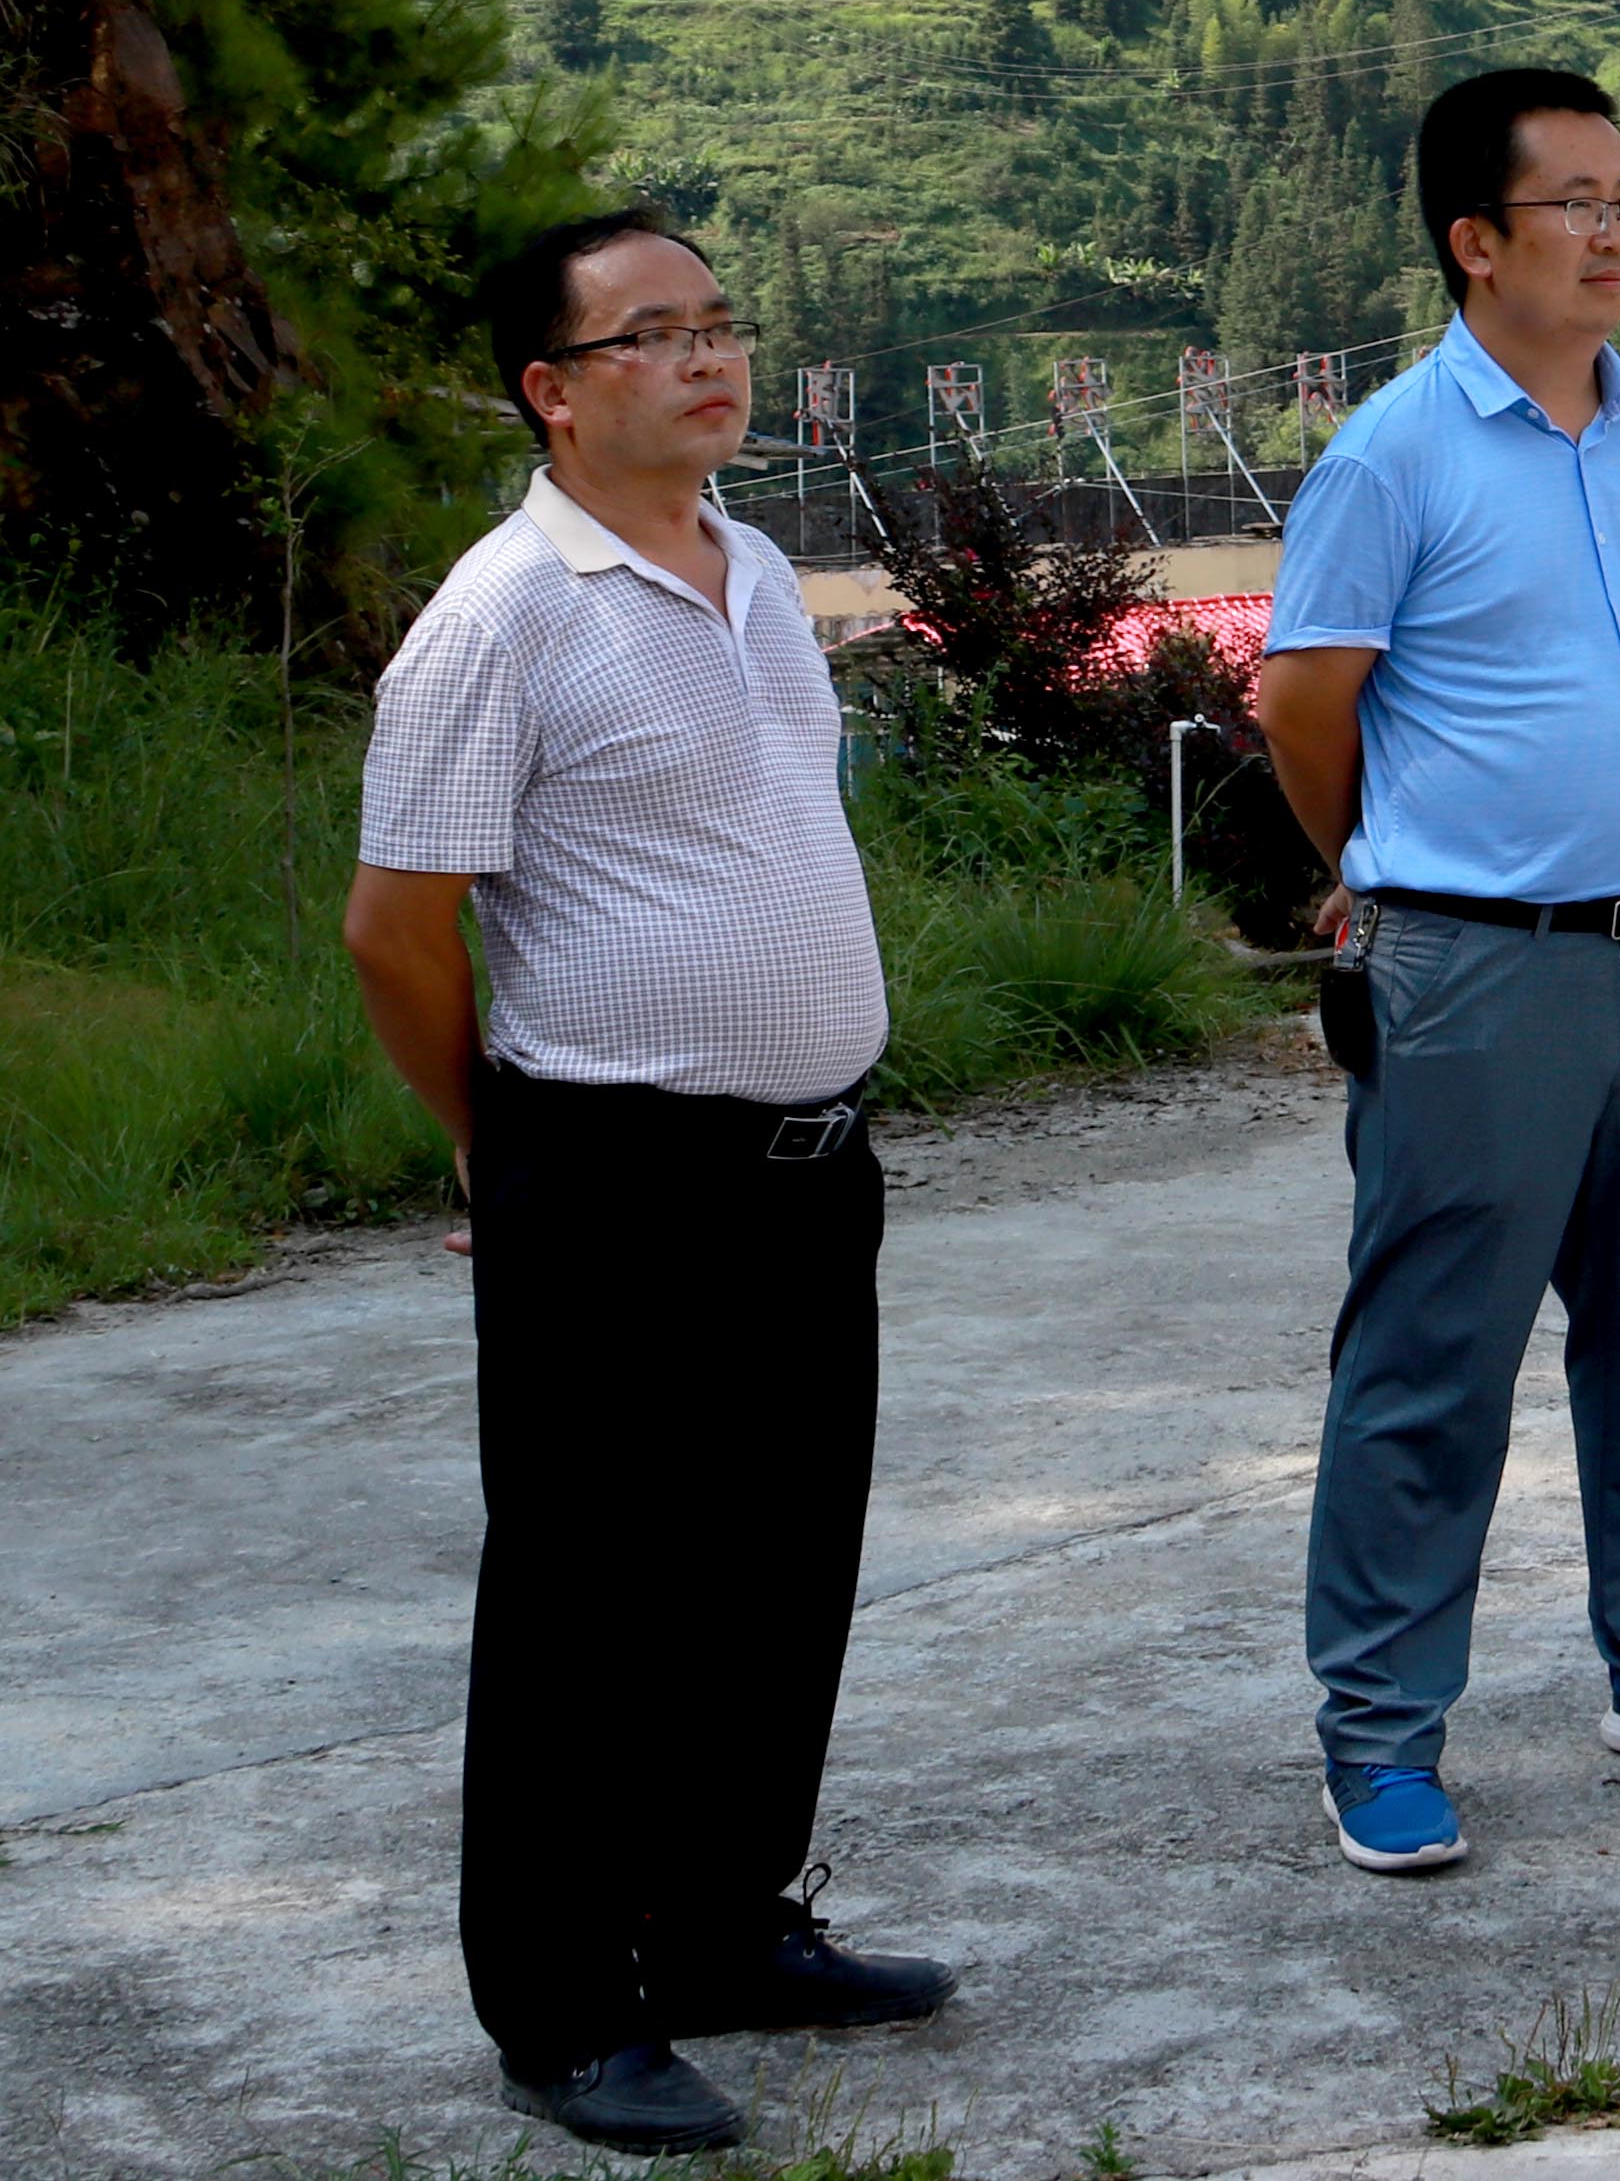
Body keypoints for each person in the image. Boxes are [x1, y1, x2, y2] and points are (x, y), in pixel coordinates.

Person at [343, 209, 954, 2158]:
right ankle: (559, 2007)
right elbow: (393, 928)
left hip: (804, 1167)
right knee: (587, 1610)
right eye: (653, 334)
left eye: (721, 322)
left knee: (778, 1572)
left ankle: (716, 1929)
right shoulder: (502, 614)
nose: (709, 357)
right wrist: (500, 1141)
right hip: (609, 1172)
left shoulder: (755, 568)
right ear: (554, 387)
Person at [1258, 66, 1620, 1882]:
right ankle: (1378, 1728)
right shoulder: (1391, 456)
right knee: (1432, 1356)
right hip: (1472, 966)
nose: (1615, 233)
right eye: (1574, 203)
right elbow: (1302, 705)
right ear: (1474, 241)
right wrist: (1393, 873)